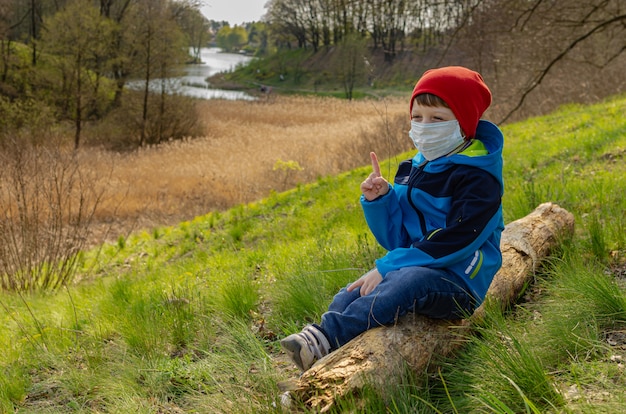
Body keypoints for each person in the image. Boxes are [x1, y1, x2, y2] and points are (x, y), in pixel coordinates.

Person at [280, 66, 505, 372]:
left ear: (463, 123)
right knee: (352, 293)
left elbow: (459, 240)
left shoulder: (479, 178)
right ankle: (322, 341)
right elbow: (398, 240)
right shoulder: (413, 168)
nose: (424, 126)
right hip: (414, 266)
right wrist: (380, 201)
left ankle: (329, 339)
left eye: (437, 119)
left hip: (460, 280)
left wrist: (388, 266)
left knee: (403, 281)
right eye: (417, 117)